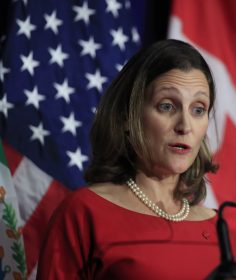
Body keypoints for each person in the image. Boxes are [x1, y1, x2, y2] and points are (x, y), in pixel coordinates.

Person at [36, 39, 220, 279]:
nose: (185, 125)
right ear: (126, 116)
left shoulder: (217, 227)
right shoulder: (84, 212)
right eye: (166, 106)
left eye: (198, 109)